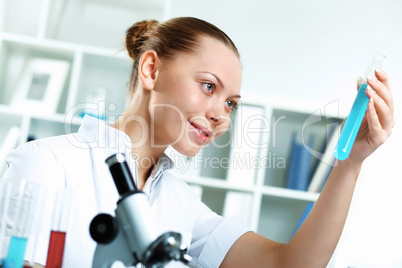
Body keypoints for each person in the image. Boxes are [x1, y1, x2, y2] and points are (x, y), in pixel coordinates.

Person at [2, 17, 394, 267]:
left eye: (231, 104)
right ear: (151, 69)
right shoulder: (43, 165)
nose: (221, 114)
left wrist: (351, 163)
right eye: (208, 86)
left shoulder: (181, 204)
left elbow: (289, 265)